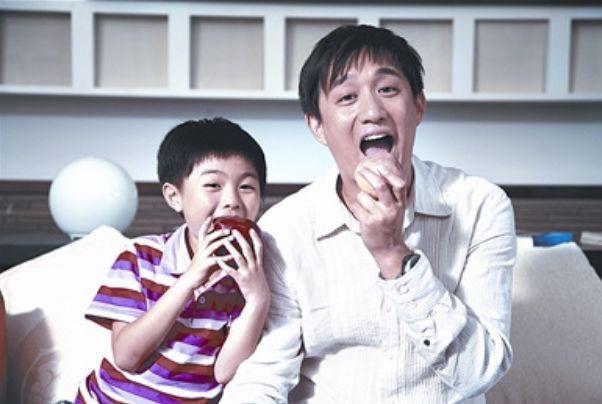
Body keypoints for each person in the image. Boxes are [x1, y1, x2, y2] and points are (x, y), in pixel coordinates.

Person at [221, 25, 516, 404]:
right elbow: (265, 373)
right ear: (317, 126)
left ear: (418, 107)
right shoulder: (285, 227)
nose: (373, 112)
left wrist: (394, 255)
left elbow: (480, 372)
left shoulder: (480, 205)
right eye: (347, 97)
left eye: (388, 89)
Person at [76, 118, 270, 403]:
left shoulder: (253, 274)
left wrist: (257, 299)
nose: (232, 200)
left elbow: (224, 372)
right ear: (174, 196)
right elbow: (127, 356)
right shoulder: (141, 256)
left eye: (246, 187)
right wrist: (190, 279)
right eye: (213, 184)